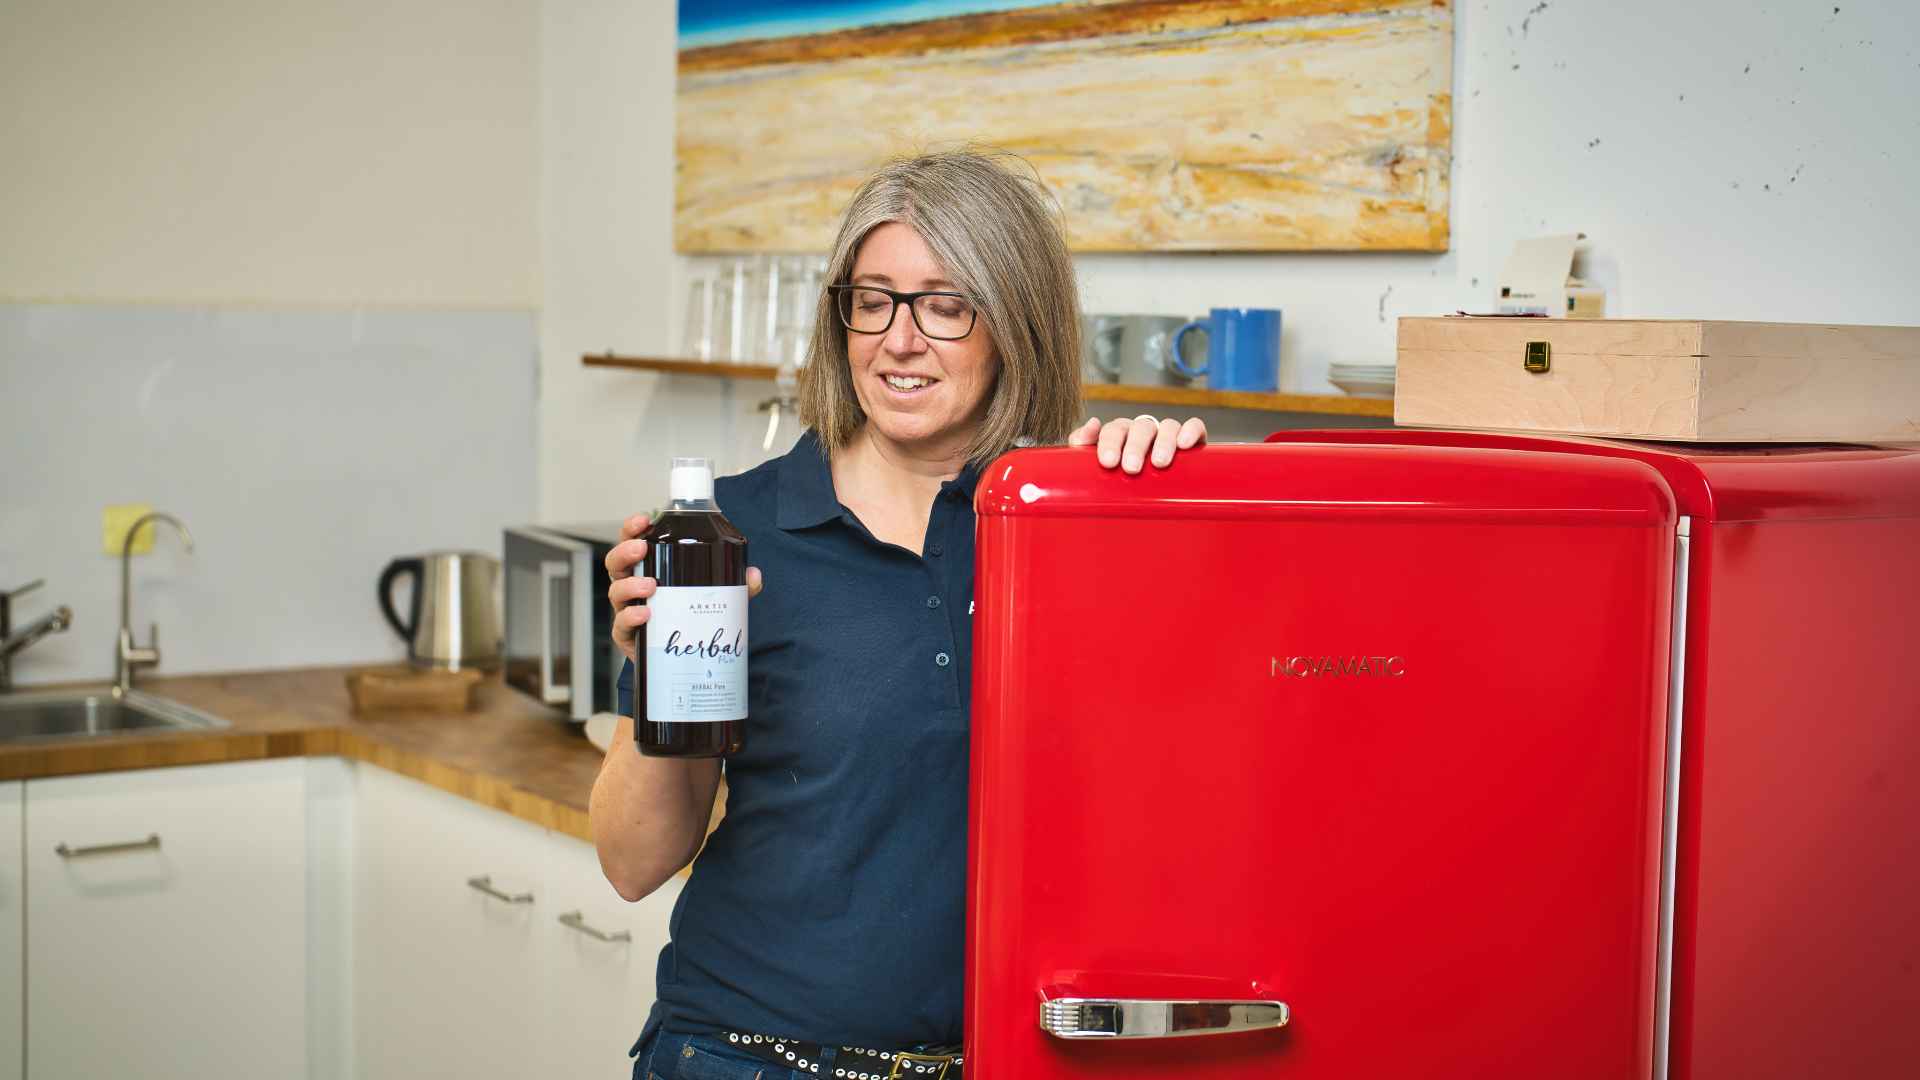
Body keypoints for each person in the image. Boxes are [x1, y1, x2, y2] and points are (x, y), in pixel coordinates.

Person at [591, 149, 1206, 1080]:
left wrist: (1161, 496)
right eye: (872, 300)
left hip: (1004, 1060)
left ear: (1016, 322)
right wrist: (653, 688)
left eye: (944, 304)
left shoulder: (1064, 531)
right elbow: (634, 864)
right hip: (750, 1057)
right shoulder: (731, 537)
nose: (899, 339)